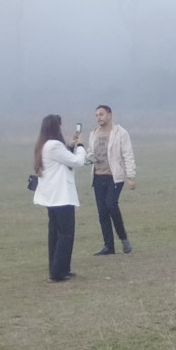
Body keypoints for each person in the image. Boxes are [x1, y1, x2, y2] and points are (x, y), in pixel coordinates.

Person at [33, 115, 87, 282]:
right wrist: (81, 146)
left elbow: (63, 159)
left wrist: (70, 145)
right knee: (65, 235)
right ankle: (58, 272)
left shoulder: (44, 145)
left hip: (52, 198)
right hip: (61, 197)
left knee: (55, 234)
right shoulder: (54, 145)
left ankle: (60, 268)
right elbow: (77, 162)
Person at [86, 104, 136, 255]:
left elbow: (128, 154)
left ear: (109, 115)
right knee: (102, 212)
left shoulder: (120, 133)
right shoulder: (94, 133)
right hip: (98, 176)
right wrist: (89, 156)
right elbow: (90, 151)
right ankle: (108, 246)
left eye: (101, 114)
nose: (98, 118)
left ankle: (124, 238)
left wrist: (131, 176)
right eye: (96, 115)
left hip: (114, 177)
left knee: (111, 204)